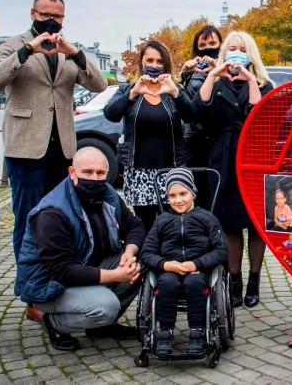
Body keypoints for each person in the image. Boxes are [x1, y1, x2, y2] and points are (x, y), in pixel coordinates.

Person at [0, 0, 108, 322]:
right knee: (28, 222)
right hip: (26, 149)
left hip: (63, 149)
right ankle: (32, 294)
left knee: (62, 220)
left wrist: (76, 53)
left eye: (58, 15)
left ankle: (62, 284)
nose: (52, 20)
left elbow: (99, 85)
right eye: (46, 14)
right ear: (33, 13)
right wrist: (28, 51)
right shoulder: (14, 45)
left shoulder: (68, 50)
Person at [14, 147, 146, 351]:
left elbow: (134, 225)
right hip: (48, 284)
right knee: (106, 306)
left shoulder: (108, 193)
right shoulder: (53, 212)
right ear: (71, 172)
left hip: (86, 265)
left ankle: (101, 326)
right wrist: (116, 275)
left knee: (142, 261)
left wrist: (129, 254)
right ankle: (54, 323)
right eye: (87, 172)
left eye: (100, 173)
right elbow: (62, 271)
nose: (94, 178)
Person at [193, 31, 274, 308]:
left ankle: (254, 281)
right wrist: (213, 75)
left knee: (256, 226)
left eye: (242, 48)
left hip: (254, 157)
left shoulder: (264, 83)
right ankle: (234, 281)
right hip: (223, 158)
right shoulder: (215, 83)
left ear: (250, 53)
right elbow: (198, 111)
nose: (236, 52)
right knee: (229, 225)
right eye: (232, 48)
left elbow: (260, 114)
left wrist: (251, 80)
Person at [103, 40, 193, 231]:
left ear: (166, 64)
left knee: (173, 224)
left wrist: (175, 92)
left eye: (159, 61)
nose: (154, 65)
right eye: (149, 60)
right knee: (145, 225)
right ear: (141, 63)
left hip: (171, 169)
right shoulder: (129, 89)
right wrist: (133, 93)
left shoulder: (173, 89)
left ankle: (170, 259)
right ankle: (148, 259)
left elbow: (192, 115)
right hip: (139, 172)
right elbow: (110, 114)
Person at [140, 168, 228, 355]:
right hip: (169, 269)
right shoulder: (162, 221)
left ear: (193, 193)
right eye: (172, 195)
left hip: (198, 269)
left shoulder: (207, 218)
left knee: (194, 281)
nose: (178, 200)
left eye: (183, 194)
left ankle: (197, 331)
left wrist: (196, 264)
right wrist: (165, 265)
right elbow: (147, 252)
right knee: (167, 282)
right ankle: (165, 331)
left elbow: (221, 250)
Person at [179, 25, 224, 207]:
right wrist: (183, 74)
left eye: (212, 43)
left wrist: (219, 72)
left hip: (220, 140)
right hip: (195, 142)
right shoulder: (191, 75)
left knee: (220, 196)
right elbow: (186, 109)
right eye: (203, 44)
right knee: (199, 195)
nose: (208, 48)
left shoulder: (228, 71)